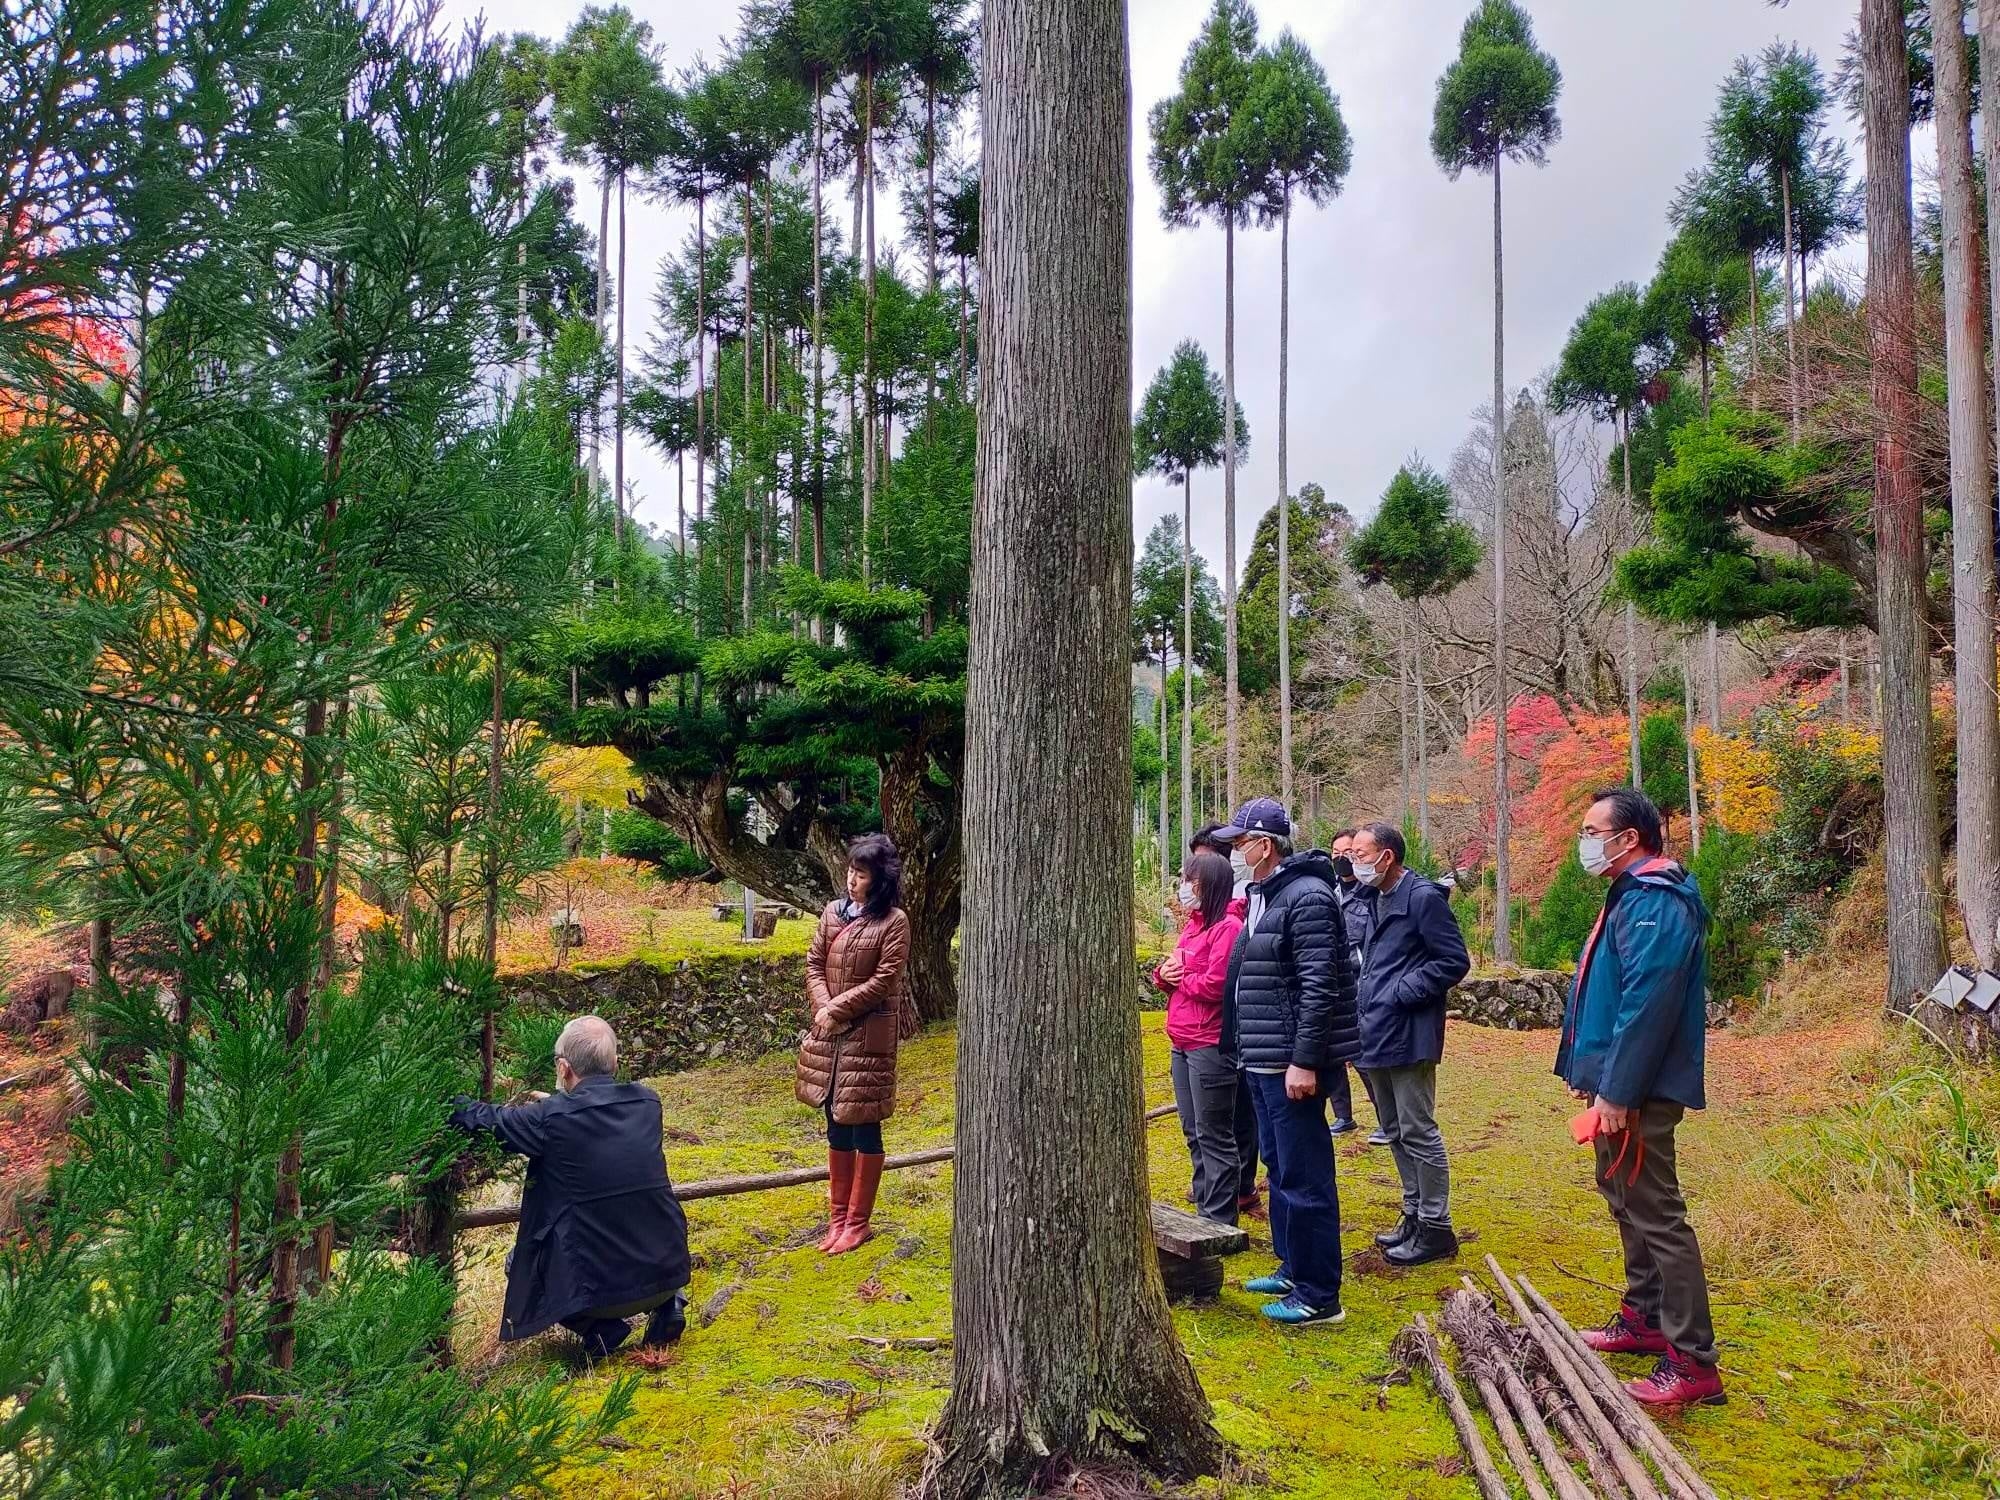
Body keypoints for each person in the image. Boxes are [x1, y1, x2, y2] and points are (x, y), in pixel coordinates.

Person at [1557, 788, 1724, 1408]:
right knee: (1624, 1197)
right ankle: (1646, 1317)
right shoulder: (1629, 895)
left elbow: (1646, 1006)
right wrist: (1593, 1074)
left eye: (1591, 831)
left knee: (1657, 1212)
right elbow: (1607, 994)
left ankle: (1692, 1361)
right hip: (1618, 1086)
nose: (1584, 842)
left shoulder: (1658, 900)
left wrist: (1618, 1090)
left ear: (1628, 839)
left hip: (1640, 1091)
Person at [449, 1015, 690, 1360]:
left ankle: (598, 1328)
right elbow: (592, 1124)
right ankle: (670, 1306)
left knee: (519, 1261)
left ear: (563, 1068)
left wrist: (441, 1097)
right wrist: (560, 1106)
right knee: (636, 1209)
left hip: (598, 1297)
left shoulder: (549, 1119)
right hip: (668, 1274)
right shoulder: (647, 1103)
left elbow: (489, 1119)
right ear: (615, 1063)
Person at [1218, 797, 1359, 1327]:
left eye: (1240, 843)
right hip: (1261, 1057)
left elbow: (1319, 986)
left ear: (1265, 845)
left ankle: (1319, 1294)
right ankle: (1293, 1266)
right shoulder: (1266, 894)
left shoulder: (1308, 897)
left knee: (1305, 1175)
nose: (1235, 852)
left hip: (1289, 1064)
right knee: (1279, 1168)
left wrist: (1304, 1060)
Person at [1351, 821, 1472, 1269]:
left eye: (1361, 854)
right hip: (1373, 1032)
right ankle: (1414, 1213)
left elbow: (1454, 960)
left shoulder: (1421, 899)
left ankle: (1436, 1227)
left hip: (1408, 1033)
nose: (1354, 862)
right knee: (1394, 1129)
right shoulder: (1372, 897)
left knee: (1418, 1129)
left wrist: (1402, 992)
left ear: (1387, 857)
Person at [796, 833, 916, 1256]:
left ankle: (858, 1222)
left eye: (861, 874)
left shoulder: (894, 922)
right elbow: (814, 963)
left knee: (863, 1121)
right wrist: (824, 1008)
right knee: (834, 1118)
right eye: (850, 871)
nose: (851, 880)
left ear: (879, 880)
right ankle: (837, 1219)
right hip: (829, 1033)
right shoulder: (832, 912)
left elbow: (885, 980)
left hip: (867, 1038)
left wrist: (838, 1009)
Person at [1154, 849, 1247, 1223]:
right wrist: (1164, 976)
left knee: (1214, 1133)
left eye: (1191, 881)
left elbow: (1217, 984)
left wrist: (1182, 979)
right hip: (1181, 1040)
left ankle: (1220, 1220)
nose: (1184, 887)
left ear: (1210, 885)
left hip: (1210, 1041)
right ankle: (1203, 1209)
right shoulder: (1193, 925)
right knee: (1193, 1130)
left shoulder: (1228, 928)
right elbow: (1173, 969)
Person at [1191, 822, 1265, 1220]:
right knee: (1204, 1124)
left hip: (1230, 1030)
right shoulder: (1198, 919)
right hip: (1196, 1032)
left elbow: (1217, 980)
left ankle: (1240, 1188)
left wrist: (1183, 978)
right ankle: (1214, 1189)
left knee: (1235, 1116)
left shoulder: (1238, 911)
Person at [1326, 828, 1374, 1142]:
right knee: (1332, 1053)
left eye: (1347, 853)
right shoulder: (1328, 891)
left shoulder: (1370, 893)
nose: (1341, 859)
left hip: (1362, 984)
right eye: (1336, 854)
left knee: (1363, 1056)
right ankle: (1343, 1116)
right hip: (1332, 983)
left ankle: (1386, 1119)